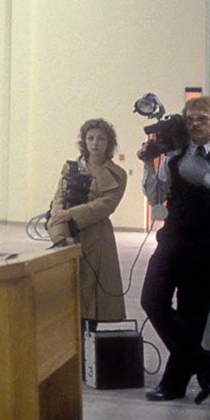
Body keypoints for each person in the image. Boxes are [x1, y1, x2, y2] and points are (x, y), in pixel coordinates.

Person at [139, 95, 210, 403]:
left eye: (202, 119)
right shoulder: (174, 157)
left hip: (205, 245)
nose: (195, 124)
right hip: (172, 239)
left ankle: (174, 385)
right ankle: (205, 362)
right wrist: (148, 166)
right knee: (151, 299)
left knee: (192, 316)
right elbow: (157, 192)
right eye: (190, 119)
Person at [47, 118, 127, 328]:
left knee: (93, 301)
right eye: (90, 138)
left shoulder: (116, 174)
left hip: (98, 241)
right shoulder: (70, 168)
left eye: (101, 138)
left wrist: (71, 213)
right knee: (68, 298)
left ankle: (89, 349)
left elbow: (106, 205)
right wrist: (59, 228)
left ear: (109, 143)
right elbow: (58, 199)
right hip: (68, 237)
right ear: (84, 141)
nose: (95, 143)